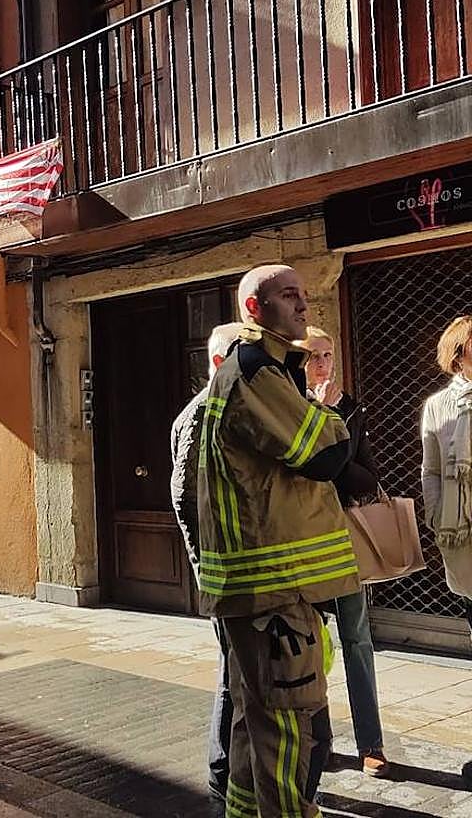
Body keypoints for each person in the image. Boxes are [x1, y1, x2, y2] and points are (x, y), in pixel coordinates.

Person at [198, 265, 359, 818]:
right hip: (272, 596)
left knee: (256, 727)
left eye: (304, 296)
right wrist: (334, 416)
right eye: (288, 296)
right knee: (289, 731)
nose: (303, 306)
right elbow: (325, 455)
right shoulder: (254, 368)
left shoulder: (263, 368)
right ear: (253, 308)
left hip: (262, 594)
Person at [297, 326, 390, 778]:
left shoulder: (350, 411)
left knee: (357, 641)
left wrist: (335, 427)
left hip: (344, 542)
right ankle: (320, 741)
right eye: (314, 356)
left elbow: (365, 478)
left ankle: (371, 743)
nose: (323, 364)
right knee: (310, 646)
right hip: (299, 543)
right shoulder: (288, 412)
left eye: (328, 355)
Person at [170, 321, 246, 802]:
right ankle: (222, 769)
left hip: (239, 569)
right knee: (231, 671)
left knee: (240, 670)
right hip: (225, 573)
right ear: (219, 362)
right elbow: (185, 498)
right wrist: (207, 565)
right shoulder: (202, 414)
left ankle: (232, 767)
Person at [420, 316, 472, 636]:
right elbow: (432, 469)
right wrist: (437, 515)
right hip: (460, 526)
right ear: (457, 354)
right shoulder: (437, 406)